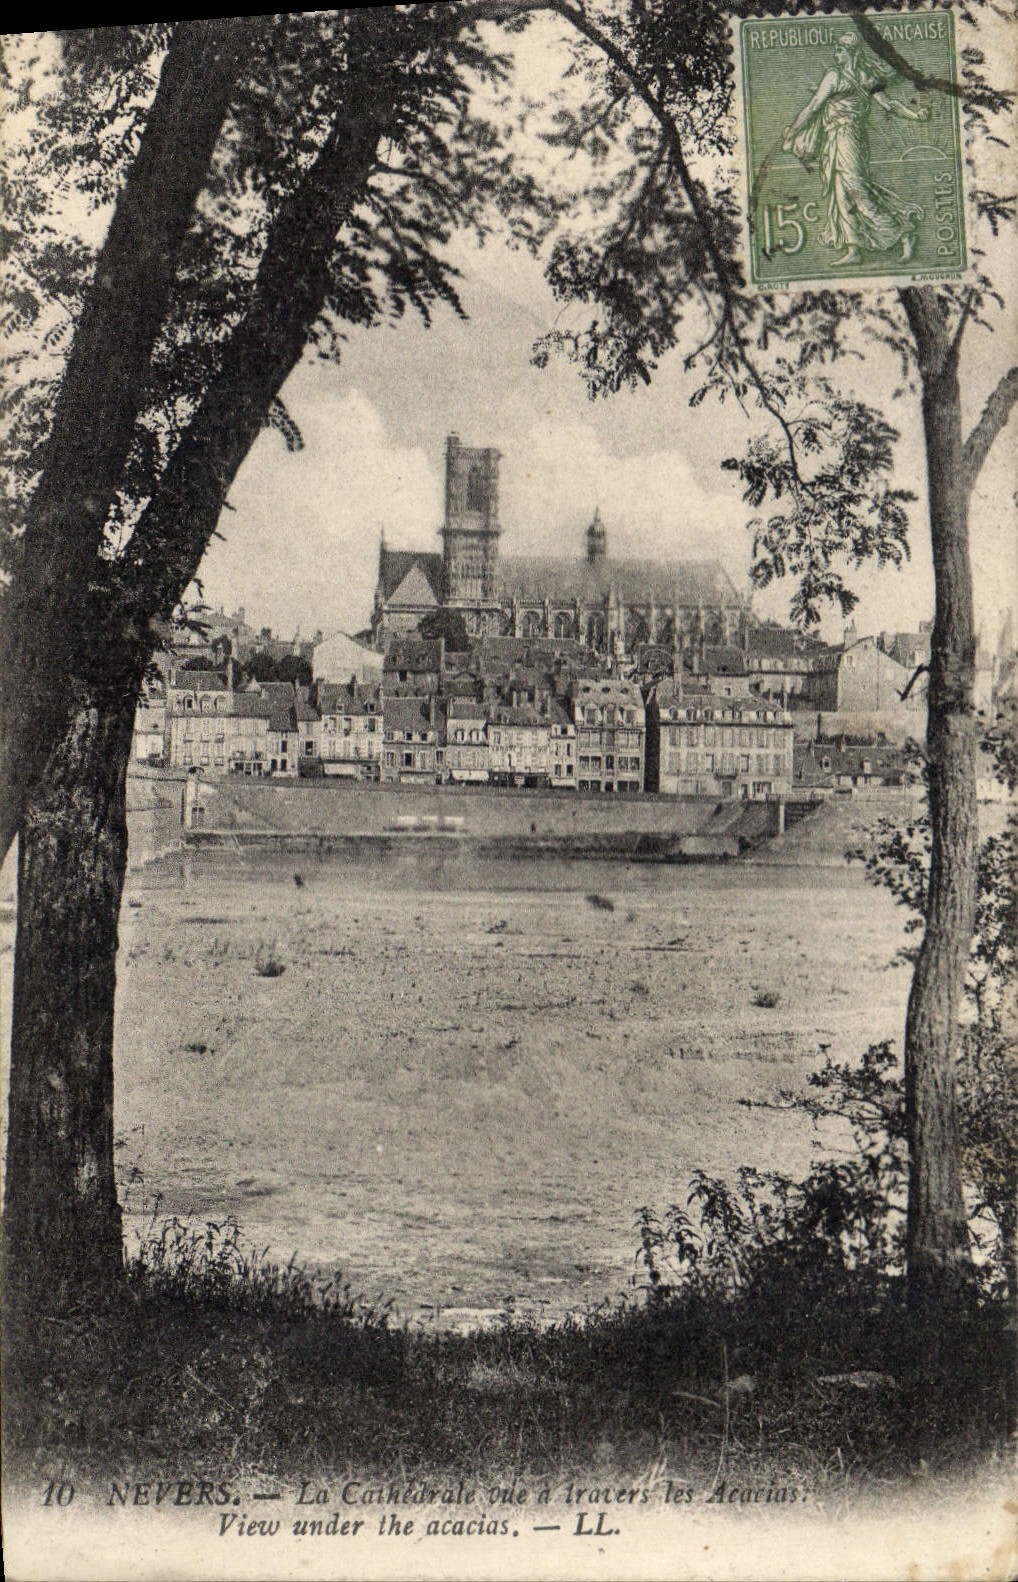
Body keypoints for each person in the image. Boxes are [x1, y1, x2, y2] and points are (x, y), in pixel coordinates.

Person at [782, 31, 931, 266]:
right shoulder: (862, 76)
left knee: (857, 191)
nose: (835, 53)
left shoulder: (837, 76)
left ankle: (904, 232)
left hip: (848, 137)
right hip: (840, 137)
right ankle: (853, 249)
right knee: (841, 192)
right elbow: (888, 105)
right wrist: (915, 115)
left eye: (840, 50)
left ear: (851, 53)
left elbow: (813, 107)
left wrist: (792, 132)